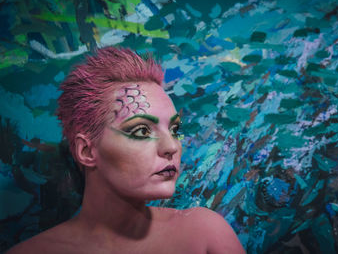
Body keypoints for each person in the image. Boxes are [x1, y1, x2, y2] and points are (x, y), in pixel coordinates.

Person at [6, 47, 246, 254]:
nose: (172, 146)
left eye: (174, 129)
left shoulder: (204, 234)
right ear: (87, 151)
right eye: (141, 131)